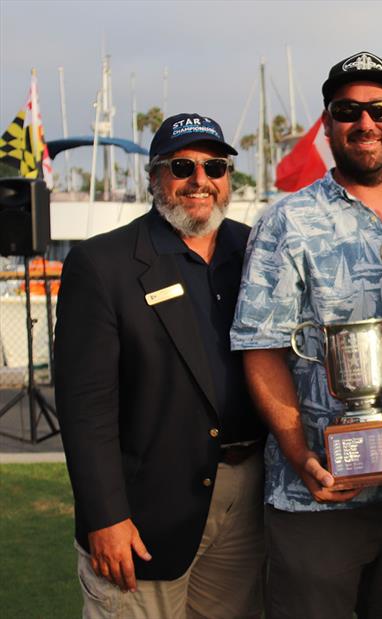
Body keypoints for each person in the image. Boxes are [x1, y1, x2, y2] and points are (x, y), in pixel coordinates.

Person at [230, 51, 382, 619]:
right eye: (348, 111)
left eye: (381, 109)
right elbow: (262, 348)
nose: (365, 123)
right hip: (318, 499)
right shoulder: (287, 221)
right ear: (327, 125)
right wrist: (301, 454)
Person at [55, 113, 267, 619]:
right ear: (155, 177)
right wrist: (106, 517)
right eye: (182, 166)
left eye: (215, 167)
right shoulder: (103, 264)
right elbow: (86, 409)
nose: (200, 181)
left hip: (246, 496)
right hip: (145, 509)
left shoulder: (257, 250)